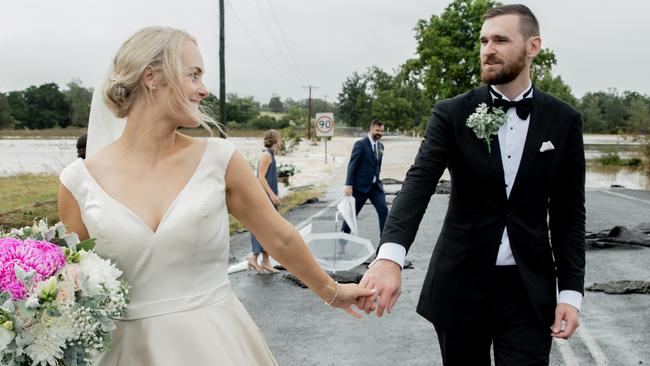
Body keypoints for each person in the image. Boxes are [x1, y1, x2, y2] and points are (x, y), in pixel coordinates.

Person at [57, 26, 374, 366]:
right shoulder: (79, 182)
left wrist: (333, 292)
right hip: (126, 353)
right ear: (151, 77)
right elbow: (72, 288)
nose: (204, 90)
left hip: (218, 346)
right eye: (193, 75)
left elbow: (279, 237)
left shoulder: (220, 160)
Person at [359, 5, 585, 365]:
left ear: (533, 46)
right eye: (483, 40)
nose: (487, 49)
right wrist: (390, 256)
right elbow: (419, 181)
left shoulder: (564, 120)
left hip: (527, 291)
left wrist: (571, 293)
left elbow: (569, 213)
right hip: (460, 285)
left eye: (500, 40)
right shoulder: (451, 113)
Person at [341, 119, 388, 235]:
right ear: (371, 129)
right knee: (351, 216)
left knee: (384, 211)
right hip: (359, 187)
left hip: (375, 187)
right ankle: (342, 240)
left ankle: (384, 243)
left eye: (382, 131)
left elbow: (378, 166)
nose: (379, 133)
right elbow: (352, 165)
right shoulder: (361, 144)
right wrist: (349, 185)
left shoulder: (381, 146)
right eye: (377, 130)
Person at [248, 129, 282, 274]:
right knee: (263, 227)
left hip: (268, 196)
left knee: (270, 228)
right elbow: (260, 177)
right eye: (280, 139)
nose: (281, 141)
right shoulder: (266, 156)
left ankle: (266, 261)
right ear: (276, 140)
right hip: (264, 197)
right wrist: (272, 194)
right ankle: (254, 258)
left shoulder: (271, 155)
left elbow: (268, 176)